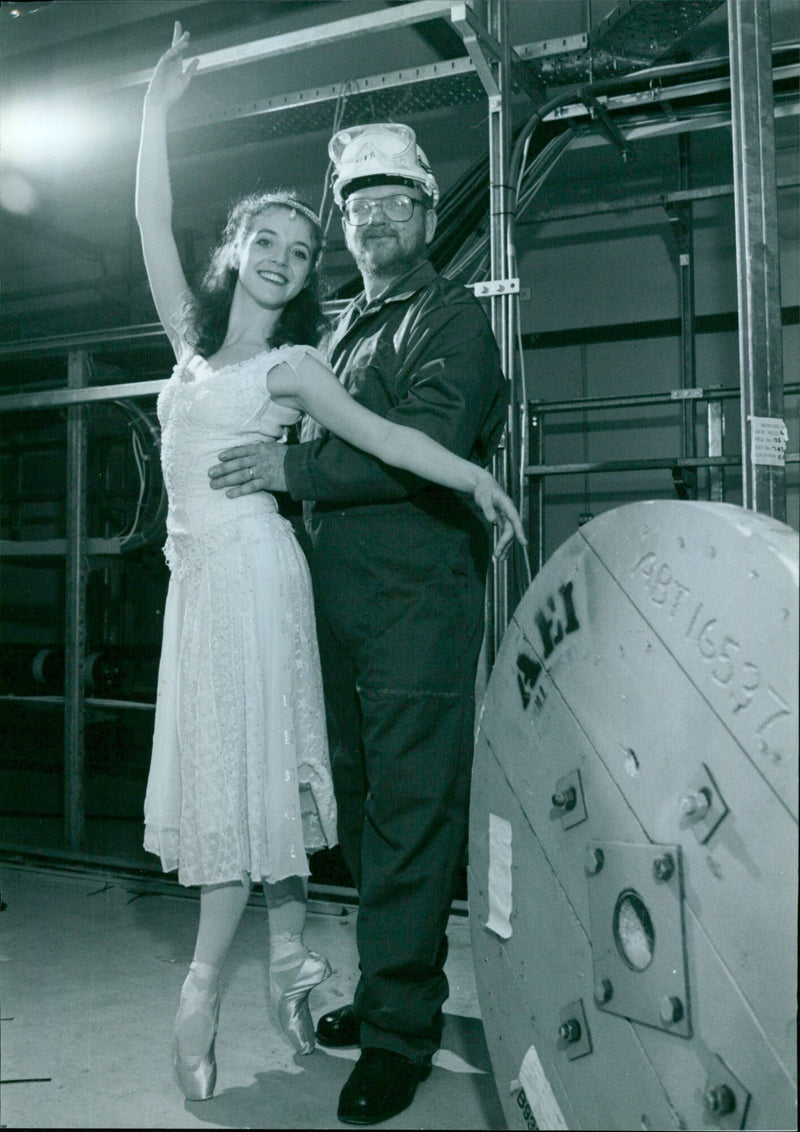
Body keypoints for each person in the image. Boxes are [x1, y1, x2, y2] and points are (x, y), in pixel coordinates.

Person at [137, 25, 525, 1107]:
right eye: (356, 210)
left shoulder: (447, 321)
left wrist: (300, 469)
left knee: (406, 816)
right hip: (327, 607)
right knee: (348, 809)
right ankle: (381, 988)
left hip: (412, 608)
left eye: (393, 202)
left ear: (425, 209)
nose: (373, 222)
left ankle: (397, 1032)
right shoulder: (347, 327)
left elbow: (417, 436)